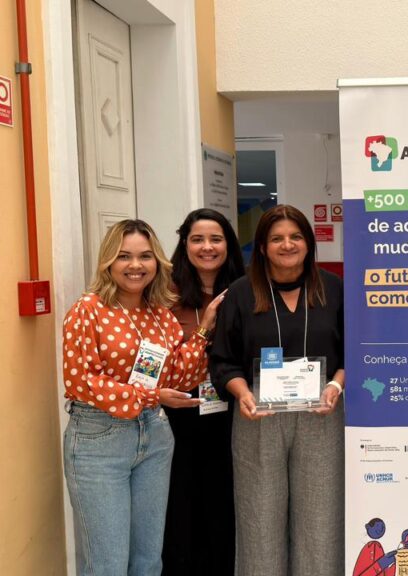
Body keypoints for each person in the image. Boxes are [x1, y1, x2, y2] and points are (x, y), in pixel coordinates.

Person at [61, 219, 222, 576]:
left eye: (145, 256)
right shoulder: (88, 310)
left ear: (157, 262)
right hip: (100, 440)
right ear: (108, 262)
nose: (135, 265)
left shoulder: (159, 315)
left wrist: (204, 328)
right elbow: (82, 381)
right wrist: (151, 395)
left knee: (149, 561)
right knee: (108, 564)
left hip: (155, 437)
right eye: (124, 256)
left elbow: (179, 375)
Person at [209, 204, 345, 575]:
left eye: (296, 236)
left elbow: (354, 351)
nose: (287, 245)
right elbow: (223, 361)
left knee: (320, 518)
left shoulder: (333, 288)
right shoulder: (240, 293)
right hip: (258, 412)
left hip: (322, 410)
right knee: (259, 518)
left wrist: (336, 384)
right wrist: (242, 393)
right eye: (277, 238)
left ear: (309, 242)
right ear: (263, 246)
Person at [161, 209, 245, 575]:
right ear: (185, 245)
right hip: (179, 414)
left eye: (216, 239)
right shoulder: (164, 294)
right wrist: (205, 327)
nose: (207, 247)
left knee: (225, 505)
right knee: (181, 506)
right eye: (197, 239)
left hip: (233, 412)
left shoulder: (246, 289)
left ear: (228, 245)